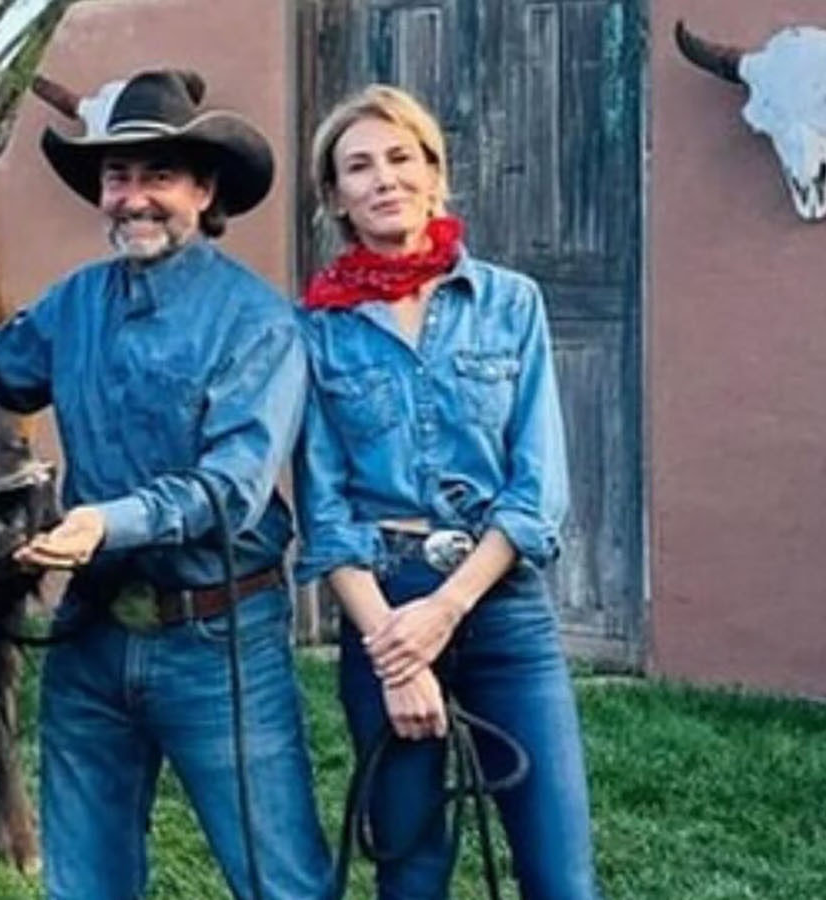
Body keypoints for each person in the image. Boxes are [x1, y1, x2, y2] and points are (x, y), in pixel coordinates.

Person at [0, 68, 331, 900]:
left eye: (157, 176)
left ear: (205, 192)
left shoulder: (257, 323)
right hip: (91, 637)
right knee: (84, 884)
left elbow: (230, 489)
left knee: (282, 884)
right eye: (117, 177)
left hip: (218, 640)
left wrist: (103, 523)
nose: (133, 197)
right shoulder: (77, 304)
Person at [294, 84, 599, 899]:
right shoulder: (316, 329)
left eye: (401, 157)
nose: (383, 178)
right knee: (412, 865)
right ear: (335, 196)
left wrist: (448, 609)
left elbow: (536, 488)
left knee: (560, 873)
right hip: (382, 606)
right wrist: (397, 653)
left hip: (499, 602)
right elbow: (327, 512)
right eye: (358, 166)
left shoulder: (509, 303)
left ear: (435, 173)